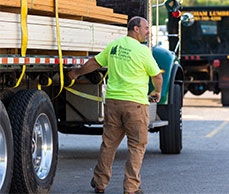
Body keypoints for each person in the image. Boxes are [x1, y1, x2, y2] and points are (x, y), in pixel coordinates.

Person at [68, 16, 163, 194]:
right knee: (136, 146)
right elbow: (157, 76)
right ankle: (131, 187)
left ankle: (100, 183)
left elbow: (95, 63)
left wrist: (76, 73)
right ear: (135, 29)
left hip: (112, 103)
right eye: (146, 27)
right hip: (135, 105)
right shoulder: (142, 51)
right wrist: (157, 92)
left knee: (108, 144)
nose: (148, 31)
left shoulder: (114, 46)